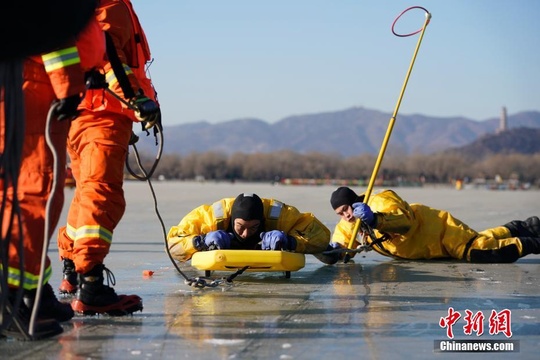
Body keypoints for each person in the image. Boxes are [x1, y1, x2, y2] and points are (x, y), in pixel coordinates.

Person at [1, 0, 104, 340]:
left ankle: (29, 294)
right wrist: (68, 83)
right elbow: (45, 20)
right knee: (33, 192)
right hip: (33, 79)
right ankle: (12, 300)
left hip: (31, 77)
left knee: (27, 193)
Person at [56, 0, 160, 316]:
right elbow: (109, 58)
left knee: (87, 193)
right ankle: (91, 284)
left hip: (86, 112)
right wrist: (137, 101)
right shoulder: (109, 5)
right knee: (102, 195)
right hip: (101, 112)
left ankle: (73, 269)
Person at [328, 186, 540, 263]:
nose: (346, 216)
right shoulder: (349, 223)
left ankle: (533, 243)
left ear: (355, 201)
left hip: (440, 232)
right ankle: (522, 227)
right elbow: (343, 243)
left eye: (347, 209)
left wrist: (376, 219)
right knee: (480, 240)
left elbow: (404, 222)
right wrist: (335, 251)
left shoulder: (379, 201)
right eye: (340, 213)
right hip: (430, 250)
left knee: (478, 251)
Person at [167, 193, 331, 262]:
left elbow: (321, 238)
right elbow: (173, 244)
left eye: (253, 227)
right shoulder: (211, 217)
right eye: (240, 227)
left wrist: (290, 241)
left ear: (262, 220)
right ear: (232, 220)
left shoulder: (281, 216)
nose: (245, 234)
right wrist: (200, 241)